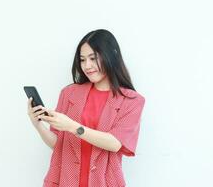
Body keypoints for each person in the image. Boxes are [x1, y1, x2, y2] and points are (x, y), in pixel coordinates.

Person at [27, 29, 145, 187]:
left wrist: (72, 126)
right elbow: (58, 144)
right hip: (64, 181)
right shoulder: (69, 93)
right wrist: (37, 124)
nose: (87, 66)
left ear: (112, 55)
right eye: (82, 60)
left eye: (93, 58)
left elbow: (115, 143)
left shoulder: (131, 100)